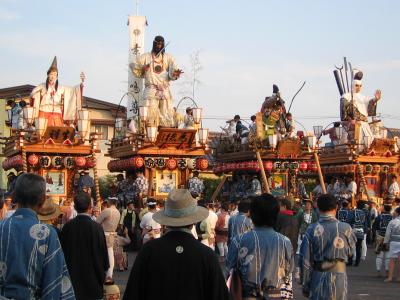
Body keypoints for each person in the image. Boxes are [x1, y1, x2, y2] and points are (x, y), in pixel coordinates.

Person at [123, 189, 229, 300]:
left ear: (166, 220)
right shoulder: (206, 254)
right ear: (193, 221)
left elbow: (133, 292)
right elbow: (219, 295)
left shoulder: (149, 250)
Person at [0, 173, 75, 299]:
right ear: (42, 200)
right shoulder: (48, 233)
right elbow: (53, 281)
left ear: (14, 197)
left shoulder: (2, 227)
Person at [227, 194, 294, 299]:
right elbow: (288, 275)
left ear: (251, 214)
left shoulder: (238, 241)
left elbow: (230, 272)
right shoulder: (285, 242)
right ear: (276, 214)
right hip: (275, 296)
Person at [299, 194, 356, 300]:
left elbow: (304, 259)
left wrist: (305, 284)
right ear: (336, 207)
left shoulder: (311, 229)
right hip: (339, 276)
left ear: (318, 208)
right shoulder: (346, 228)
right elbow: (351, 253)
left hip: (318, 276)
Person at [60, 192, 109, 300]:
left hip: (71, 280)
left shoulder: (67, 227)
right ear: (90, 207)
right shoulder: (96, 228)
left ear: (75, 207)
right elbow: (103, 254)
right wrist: (103, 272)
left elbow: (61, 253)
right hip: (93, 280)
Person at [130, 35, 183, 127]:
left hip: (164, 89)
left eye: (161, 44)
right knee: (150, 114)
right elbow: (133, 65)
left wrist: (175, 73)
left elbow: (173, 70)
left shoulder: (169, 57)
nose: (159, 46)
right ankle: (150, 134)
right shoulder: (145, 57)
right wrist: (143, 68)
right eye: (157, 44)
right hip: (151, 89)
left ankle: (165, 132)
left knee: (166, 113)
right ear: (154, 44)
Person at [30, 56, 83, 127]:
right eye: (51, 74)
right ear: (48, 75)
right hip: (44, 111)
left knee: (57, 132)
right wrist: (35, 95)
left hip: (56, 112)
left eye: (55, 74)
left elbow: (72, 91)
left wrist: (80, 85)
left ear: (57, 77)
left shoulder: (61, 87)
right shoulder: (42, 86)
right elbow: (33, 93)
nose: (53, 76)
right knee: (43, 131)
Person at [341, 70, 381, 144]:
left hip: (364, 125)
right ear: (353, 85)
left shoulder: (363, 97)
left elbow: (370, 102)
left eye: (360, 86)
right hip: (351, 125)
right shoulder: (346, 96)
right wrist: (350, 104)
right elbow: (344, 110)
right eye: (356, 85)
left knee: (368, 141)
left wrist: (375, 99)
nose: (358, 88)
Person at [96, 197, 121, 282]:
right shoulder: (118, 212)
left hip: (105, 234)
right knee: (110, 254)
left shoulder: (107, 211)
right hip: (112, 234)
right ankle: (109, 274)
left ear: (109, 202)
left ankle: (106, 274)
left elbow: (97, 222)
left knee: (103, 255)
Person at [275, 198, 299, 281]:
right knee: (288, 275)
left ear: (284, 206)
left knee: (279, 275)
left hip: (280, 249)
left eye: (280, 206)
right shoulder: (295, 218)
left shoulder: (280, 216)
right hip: (292, 248)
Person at [373, 203, 393, 277]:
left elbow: (374, 227)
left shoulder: (379, 217)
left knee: (379, 255)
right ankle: (387, 271)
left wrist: (374, 236)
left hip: (380, 237)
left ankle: (378, 271)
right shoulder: (392, 217)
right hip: (389, 238)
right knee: (388, 256)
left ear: (384, 209)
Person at [349, 200, 368, 266]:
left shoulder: (353, 211)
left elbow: (349, 220)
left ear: (357, 205)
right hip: (361, 230)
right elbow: (365, 223)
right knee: (358, 247)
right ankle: (357, 262)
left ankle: (350, 261)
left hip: (354, 230)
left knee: (351, 246)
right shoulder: (364, 212)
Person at [383, 206, 400, 282]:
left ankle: (390, 277)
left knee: (392, 260)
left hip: (393, 242)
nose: (393, 213)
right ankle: (399, 277)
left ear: (397, 213)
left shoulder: (392, 221)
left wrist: (386, 242)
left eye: (395, 212)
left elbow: (388, 233)